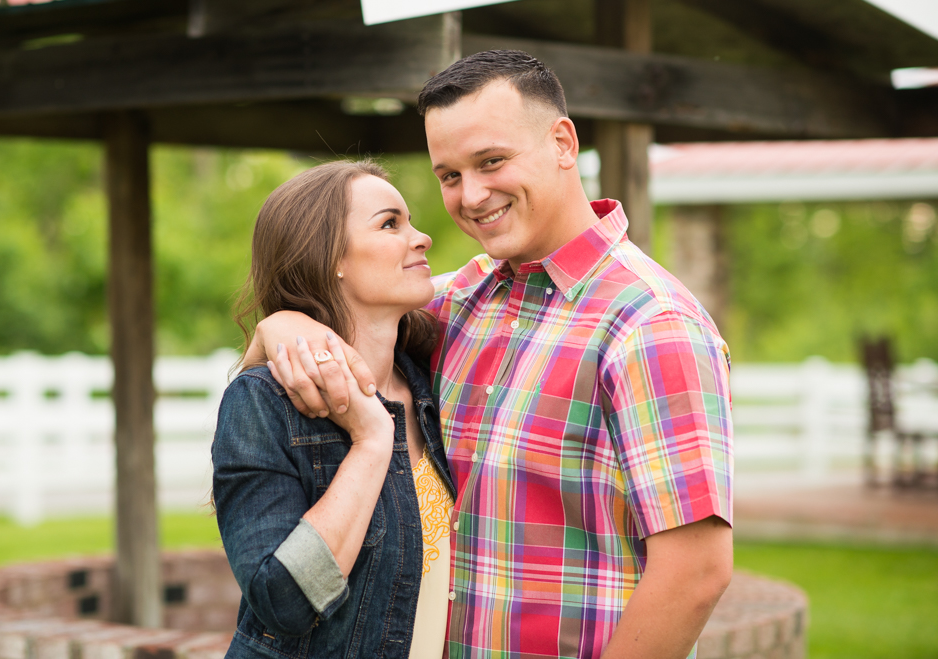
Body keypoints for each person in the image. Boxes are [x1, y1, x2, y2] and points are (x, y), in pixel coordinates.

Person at [246, 50, 734, 659]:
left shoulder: (651, 324)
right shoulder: (462, 301)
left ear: (562, 142)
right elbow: (347, 308)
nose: (471, 195)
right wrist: (285, 323)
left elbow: (695, 573)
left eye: (492, 161)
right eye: (449, 175)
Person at [211, 160, 457, 659]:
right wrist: (371, 441)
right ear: (330, 259)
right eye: (391, 224)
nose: (423, 237)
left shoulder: (433, 379)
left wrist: (276, 324)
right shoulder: (263, 402)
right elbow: (283, 602)